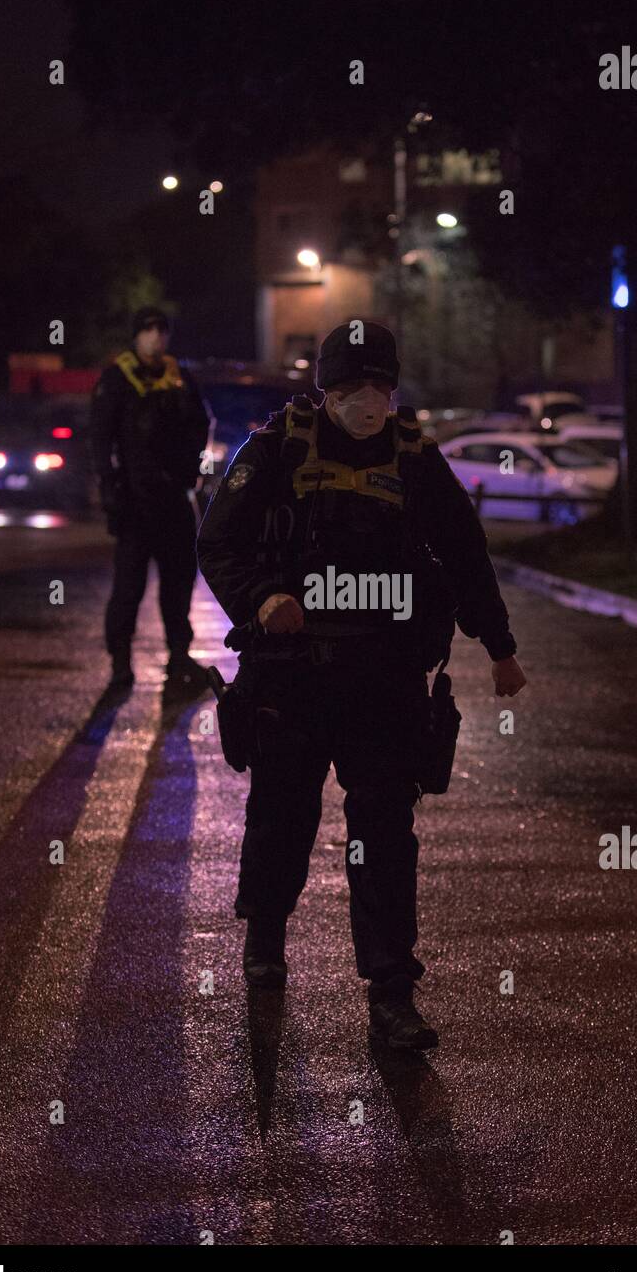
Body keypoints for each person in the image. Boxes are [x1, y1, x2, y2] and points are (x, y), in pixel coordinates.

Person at [197, 322, 526, 1049]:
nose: (365, 401)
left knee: (383, 835)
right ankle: (265, 942)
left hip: (385, 682)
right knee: (282, 816)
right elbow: (217, 540)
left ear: (394, 390)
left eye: (377, 387)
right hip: (294, 677)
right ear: (325, 390)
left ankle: (392, 992)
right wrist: (261, 599)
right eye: (350, 388)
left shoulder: (413, 458)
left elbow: (466, 556)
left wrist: (499, 647)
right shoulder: (278, 449)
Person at [91, 306, 210, 694]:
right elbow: (100, 440)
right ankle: (120, 666)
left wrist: (189, 468)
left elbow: (200, 423)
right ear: (136, 335)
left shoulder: (179, 378)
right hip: (135, 504)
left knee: (178, 585)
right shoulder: (117, 379)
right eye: (149, 329)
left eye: (162, 329)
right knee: (128, 588)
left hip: (174, 499)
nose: (157, 336)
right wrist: (111, 488)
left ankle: (178, 657)